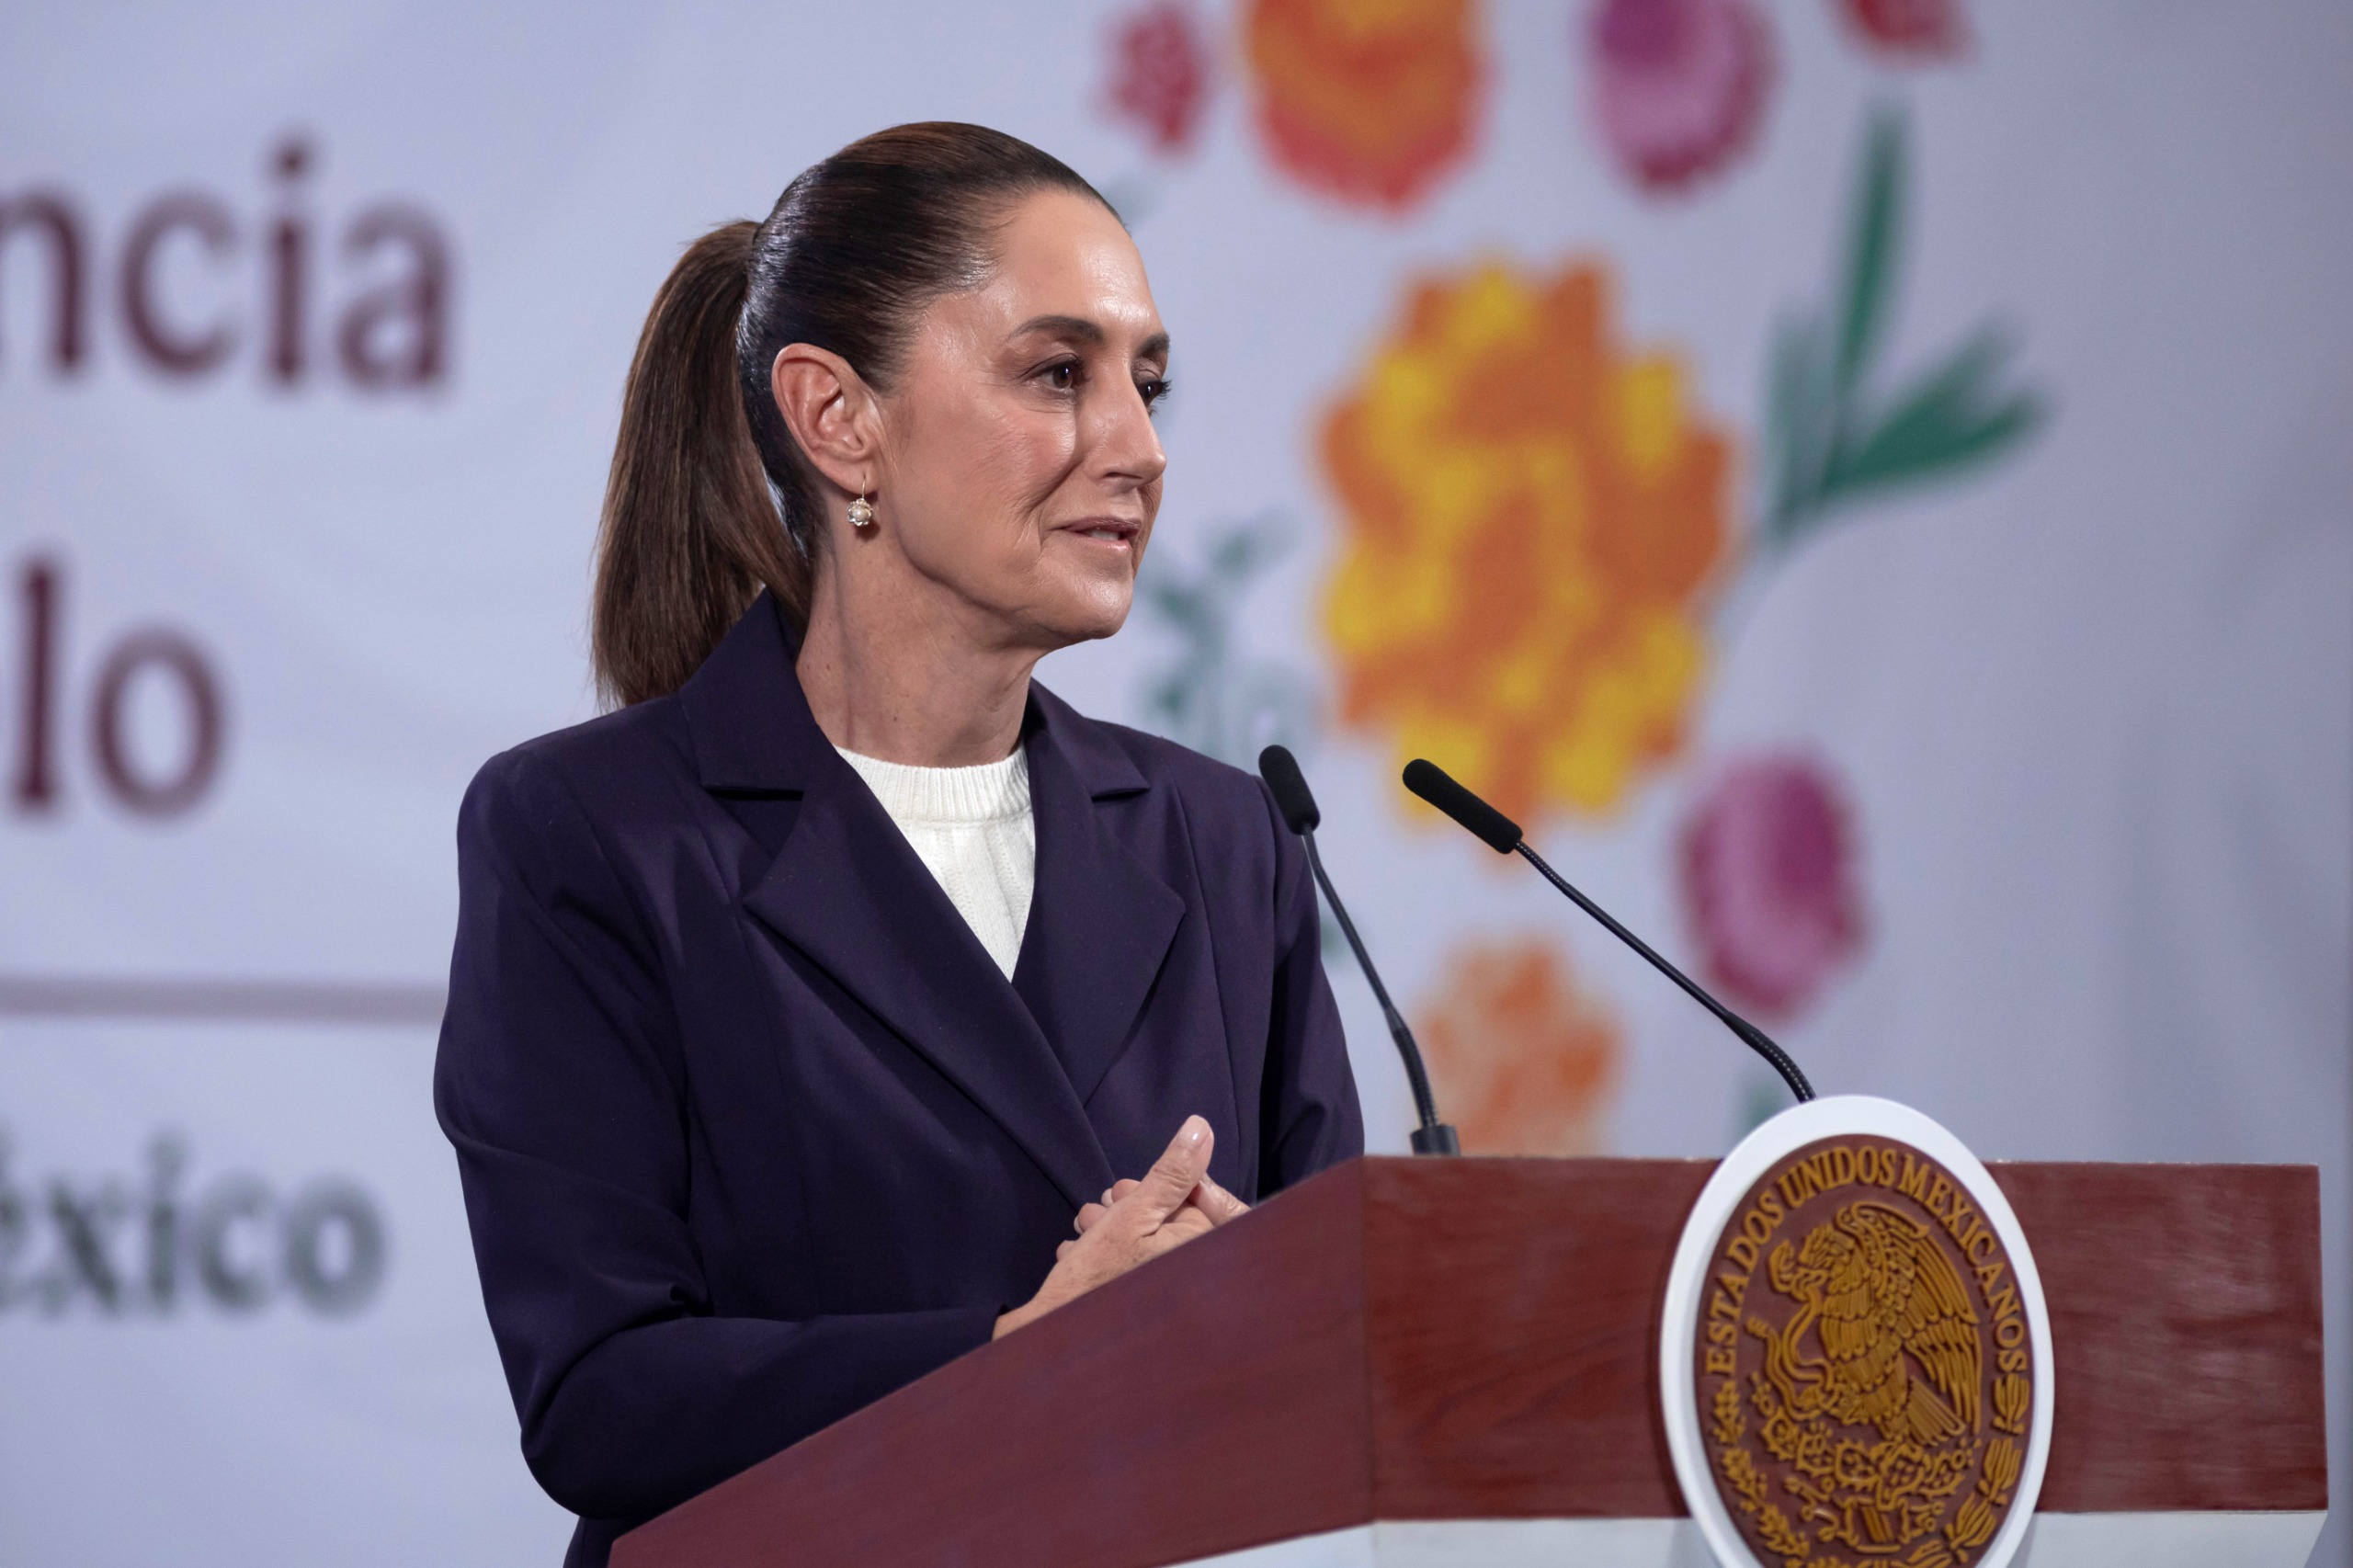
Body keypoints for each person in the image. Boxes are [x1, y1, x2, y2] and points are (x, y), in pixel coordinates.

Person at [433, 123, 1363, 1567]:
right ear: (838, 419)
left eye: (1149, 382)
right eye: (1057, 374)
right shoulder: (592, 834)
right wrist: (1019, 1355)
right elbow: (601, 1396)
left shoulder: (1224, 837)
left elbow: (1345, 1351)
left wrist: (1276, 1323)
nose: (1140, 448)